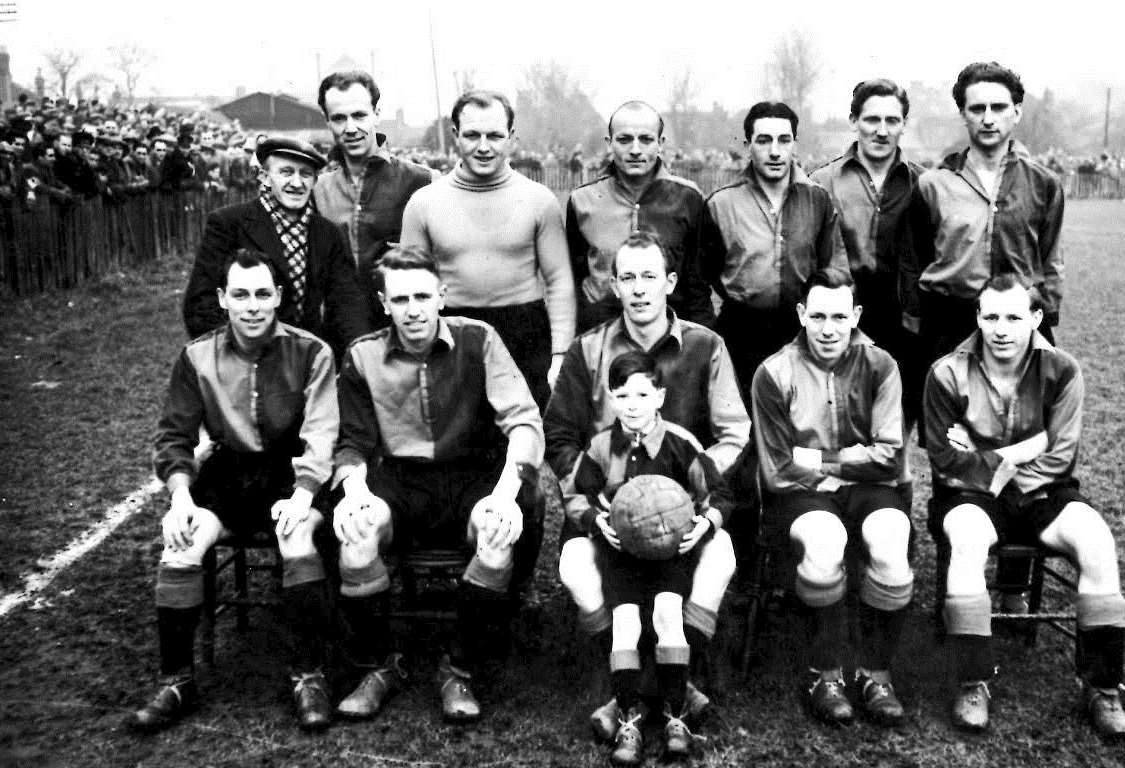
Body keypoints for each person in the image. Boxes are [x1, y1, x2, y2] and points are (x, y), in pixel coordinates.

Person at [127, 249, 341, 733]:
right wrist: (180, 496)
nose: (252, 306)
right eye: (240, 294)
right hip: (229, 470)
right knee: (182, 545)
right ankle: (176, 680)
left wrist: (305, 493)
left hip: (291, 471)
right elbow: (173, 436)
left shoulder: (313, 351)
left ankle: (309, 674)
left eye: (263, 294)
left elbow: (323, 432)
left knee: (298, 535)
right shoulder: (197, 356)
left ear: (279, 298)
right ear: (223, 298)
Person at [331, 246, 546, 725]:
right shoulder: (363, 355)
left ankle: (458, 667)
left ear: (441, 296)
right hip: (399, 479)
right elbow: (352, 441)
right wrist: (355, 490)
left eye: (423, 296)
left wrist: (507, 492)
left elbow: (524, 421)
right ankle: (380, 665)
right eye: (401, 299)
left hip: (472, 474)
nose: (413, 309)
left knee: (496, 532)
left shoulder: (480, 339)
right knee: (355, 531)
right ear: (384, 303)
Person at [547, 231, 747, 739]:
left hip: (683, 510)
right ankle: (617, 676)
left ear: (671, 283)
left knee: (722, 551)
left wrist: (685, 500)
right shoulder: (587, 349)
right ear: (613, 285)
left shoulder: (707, 345)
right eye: (628, 278)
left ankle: (679, 673)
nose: (639, 289)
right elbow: (560, 435)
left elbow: (732, 432)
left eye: (650, 277)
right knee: (573, 564)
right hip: (610, 508)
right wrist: (603, 499)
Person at [923, 274, 1125, 738]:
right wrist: (1021, 450)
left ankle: (1103, 687)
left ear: (1036, 319)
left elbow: (1060, 455)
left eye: (1014, 317)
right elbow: (943, 460)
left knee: (1097, 541)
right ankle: (972, 682)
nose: (1001, 329)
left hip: (1043, 490)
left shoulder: (1063, 370)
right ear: (977, 317)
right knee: (968, 540)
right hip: (968, 495)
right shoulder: (945, 372)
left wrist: (983, 451)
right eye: (991, 316)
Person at [751, 267, 911, 726]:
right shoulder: (773, 373)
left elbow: (889, 459)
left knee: (891, 538)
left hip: (868, 489)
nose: (827, 329)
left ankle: (876, 673)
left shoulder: (882, 365)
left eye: (839, 317)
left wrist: (820, 460)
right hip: (799, 497)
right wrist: (846, 462)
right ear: (801, 314)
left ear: (856, 314)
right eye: (817, 315)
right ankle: (825, 673)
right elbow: (779, 470)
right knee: (824, 542)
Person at [565, 350, 733, 763]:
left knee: (666, 615)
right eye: (622, 396)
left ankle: (677, 716)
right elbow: (574, 495)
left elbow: (722, 494)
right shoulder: (602, 446)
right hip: (621, 556)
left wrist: (705, 523)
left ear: (659, 396)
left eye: (642, 395)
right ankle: (630, 719)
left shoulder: (680, 443)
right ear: (612, 399)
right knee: (624, 624)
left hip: (670, 555)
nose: (632, 405)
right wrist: (593, 520)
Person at [400, 89, 574, 410]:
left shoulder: (539, 200)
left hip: (525, 334)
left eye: (494, 135)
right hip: (451, 331)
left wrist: (560, 353)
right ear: (455, 136)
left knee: (528, 441)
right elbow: (408, 285)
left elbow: (560, 280)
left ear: (511, 137)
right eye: (472, 135)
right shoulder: (424, 203)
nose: (483, 147)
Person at [914, 61, 1064, 359]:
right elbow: (915, 259)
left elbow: (1051, 259)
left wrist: (1045, 312)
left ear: (1017, 112)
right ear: (962, 114)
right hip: (949, 323)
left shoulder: (1044, 183)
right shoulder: (933, 184)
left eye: (998, 107)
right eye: (977, 108)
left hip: (1017, 319)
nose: (988, 118)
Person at [699, 101, 847, 397]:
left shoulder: (817, 199)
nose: (775, 152)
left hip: (799, 330)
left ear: (795, 143)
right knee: (745, 425)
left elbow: (833, 265)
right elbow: (705, 273)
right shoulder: (721, 204)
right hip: (740, 332)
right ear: (747, 145)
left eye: (784, 140)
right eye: (763, 141)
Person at [182, 136, 372, 359]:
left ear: (315, 180)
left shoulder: (328, 233)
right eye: (286, 172)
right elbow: (200, 305)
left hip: (306, 360)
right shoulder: (228, 224)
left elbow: (347, 302)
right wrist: (238, 354)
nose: (297, 183)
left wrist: (358, 355)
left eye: (306, 174)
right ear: (265, 176)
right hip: (246, 357)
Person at [809, 79, 927, 439]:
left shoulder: (925, 183)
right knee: (839, 426)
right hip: (843, 318)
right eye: (871, 119)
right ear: (853, 120)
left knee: (894, 433)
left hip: (905, 324)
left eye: (892, 120)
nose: (881, 130)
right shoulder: (821, 183)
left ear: (904, 124)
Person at [566, 100, 714, 332]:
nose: (635, 150)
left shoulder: (688, 198)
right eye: (624, 140)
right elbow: (575, 279)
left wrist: (701, 345)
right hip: (600, 331)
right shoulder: (582, 200)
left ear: (660, 143)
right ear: (609, 143)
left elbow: (698, 284)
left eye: (646, 139)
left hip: (669, 334)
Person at [313, 70, 438, 330]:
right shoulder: (318, 189)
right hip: (341, 332)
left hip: (406, 329)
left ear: (377, 114)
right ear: (327, 121)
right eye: (339, 118)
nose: (350, 128)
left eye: (359, 115)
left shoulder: (423, 181)